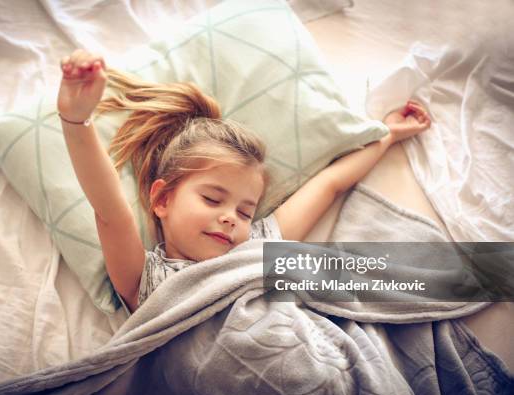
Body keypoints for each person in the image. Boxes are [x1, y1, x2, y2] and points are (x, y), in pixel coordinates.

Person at [57, 49, 432, 313]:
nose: (231, 218)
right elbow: (110, 212)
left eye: (245, 210)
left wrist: (387, 135)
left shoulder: (256, 248)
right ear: (162, 200)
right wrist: (77, 121)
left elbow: (330, 184)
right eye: (212, 199)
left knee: (446, 272)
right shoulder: (148, 280)